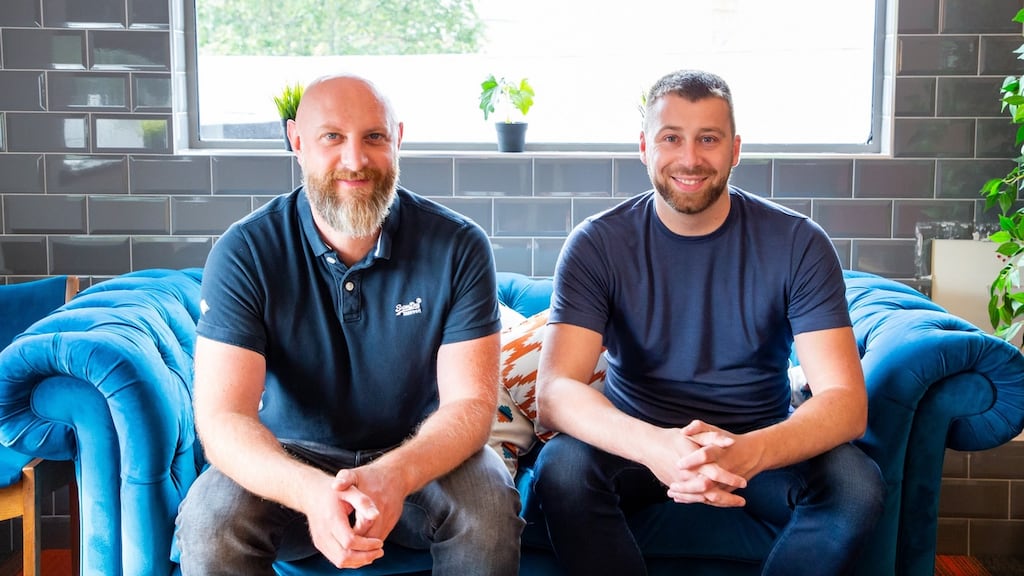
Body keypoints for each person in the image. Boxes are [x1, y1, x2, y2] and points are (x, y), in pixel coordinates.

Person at [532, 69, 885, 576]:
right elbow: (555, 392)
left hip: (760, 441)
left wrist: (748, 452)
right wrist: (658, 447)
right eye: (671, 138)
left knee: (856, 487)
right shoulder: (596, 243)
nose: (690, 159)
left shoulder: (799, 242)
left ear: (735, 149)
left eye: (709, 139)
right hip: (638, 442)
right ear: (644, 148)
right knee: (561, 471)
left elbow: (845, 403)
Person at [175, 73, 524, 575]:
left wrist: (393, 474)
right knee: (210, 520)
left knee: (489, 506)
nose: (355, 160)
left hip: (420, 455)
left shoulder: (458, 245)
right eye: (332, 137)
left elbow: (470, 405)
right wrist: (312, 492)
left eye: (374, 137)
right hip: (290, 461)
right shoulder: (245, 251)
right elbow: (223, 418)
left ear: (397, 139)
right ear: (297, 142)